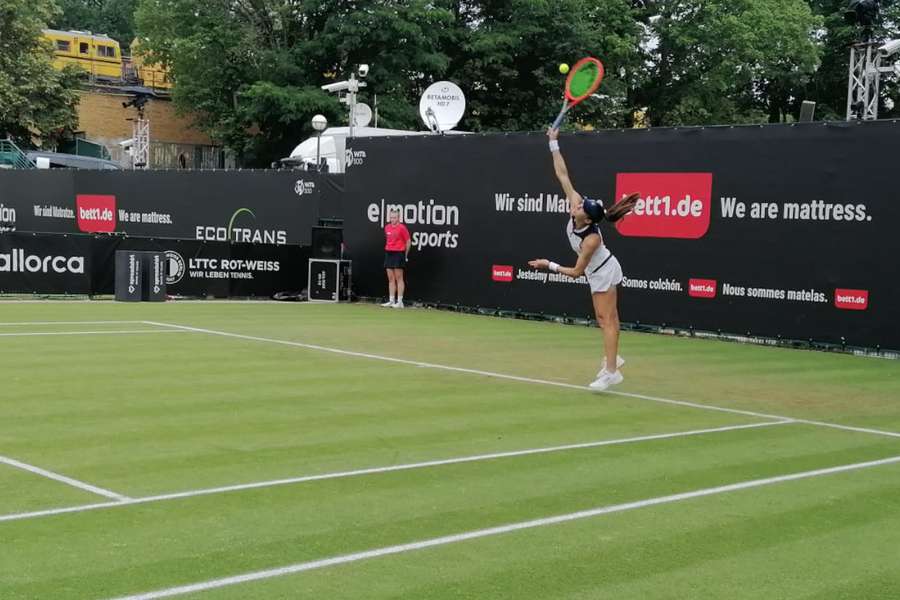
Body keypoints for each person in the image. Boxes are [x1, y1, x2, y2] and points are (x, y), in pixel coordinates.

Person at [528, 128, 639, 392]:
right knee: (608, 319)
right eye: (578, 204)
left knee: (606, 320)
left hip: (602, 271)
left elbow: (577, 272)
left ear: (587, 219)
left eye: (579, 207)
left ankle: (611, 371)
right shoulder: (577, 205)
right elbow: (562, 174)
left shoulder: (592, 240)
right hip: (596, 271)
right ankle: (613, 358)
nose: (575, 205)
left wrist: (548, 265)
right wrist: (553, 143)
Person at [381, 209, 411, 308]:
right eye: (391, 217)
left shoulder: (402, 228)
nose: (392, 219)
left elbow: (408, 241)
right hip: (389, 253)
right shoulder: (387, 227)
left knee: (399, 278)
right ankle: (391, 300)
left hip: (399, 253)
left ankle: (400, 302)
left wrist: (405, 255)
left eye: (394, 217)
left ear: (398, 218)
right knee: (390, 278)